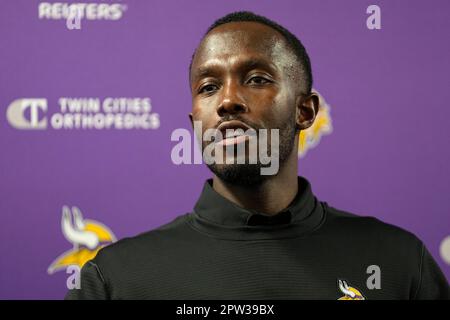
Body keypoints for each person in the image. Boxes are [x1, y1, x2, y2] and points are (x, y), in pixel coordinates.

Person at [66, 11, 449, 300]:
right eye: (209, 86)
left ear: (306, 111)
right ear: (194, 119)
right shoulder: (115, 279)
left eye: (256, 79)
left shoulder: (399, 263)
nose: (228, 101)